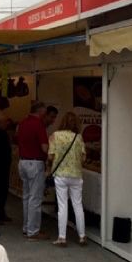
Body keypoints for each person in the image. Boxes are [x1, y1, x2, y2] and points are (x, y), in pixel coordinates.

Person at [48, 112, 87, 247]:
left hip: (61, 175)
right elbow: (83, 158)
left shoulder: (55, 136)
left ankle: (62, 237)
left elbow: (51, 157)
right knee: (78, 205)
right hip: (76, 175)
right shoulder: (79, 138)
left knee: (63, 205)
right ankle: (82, 236)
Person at [17, 101, 49, 240]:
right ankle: (33, 231)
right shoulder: (39, 124)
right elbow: (45, 148)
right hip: (35, 162)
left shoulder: (23, 123)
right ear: (41, 112)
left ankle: (26, 227)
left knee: (27, 196)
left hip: (23, 161)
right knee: (35, 198)